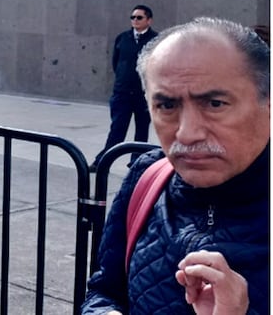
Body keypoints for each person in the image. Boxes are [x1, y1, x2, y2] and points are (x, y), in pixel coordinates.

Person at [82, 17, 269, 315]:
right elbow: (105, 290)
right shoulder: (147, 177)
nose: (187, 133)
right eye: (167, 106)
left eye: (215, 104)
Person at [92, 5, 159, 171]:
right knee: (117, 129)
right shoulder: (123, 38)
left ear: (149, 20)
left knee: (141, 130)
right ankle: (102, 162)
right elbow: (116, 63)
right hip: (122, 93)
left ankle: (137, 163)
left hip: (143, 94)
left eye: (139, 17)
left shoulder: (156, 40)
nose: (135, 20)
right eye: (132, 17)